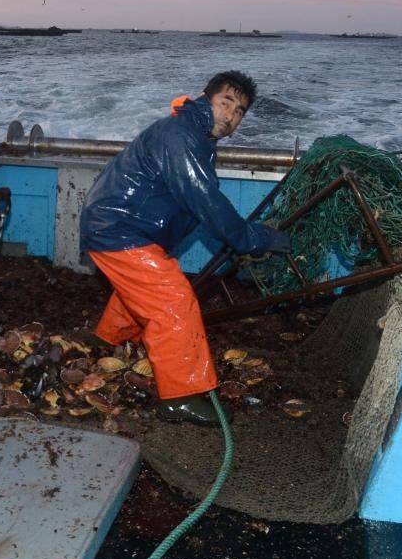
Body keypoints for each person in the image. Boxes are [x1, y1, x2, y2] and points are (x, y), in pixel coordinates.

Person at [79, 71, 291, 425]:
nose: (230, 116)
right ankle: (180, 397)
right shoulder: (182, 137)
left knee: (144, 287)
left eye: (240, 111)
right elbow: (207, 202)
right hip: (117, 228)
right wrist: (257, 238)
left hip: (123, 227)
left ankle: (104, 339)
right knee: (173, 300)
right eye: (225, 102)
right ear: (204, 98)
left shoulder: (193, 137)